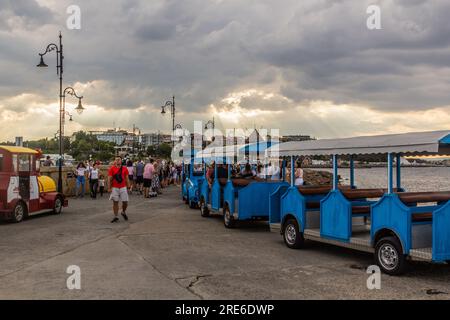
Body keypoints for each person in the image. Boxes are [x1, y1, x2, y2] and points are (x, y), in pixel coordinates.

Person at [108, 156, 130, 223]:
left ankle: (123, 212)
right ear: (115, 161)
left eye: (119, 159)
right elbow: (109, 179)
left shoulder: (124, 168)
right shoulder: (112, 169)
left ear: (121, 161)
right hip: (115, 187)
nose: (117, 161)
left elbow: (126, 178)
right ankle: (116, 216)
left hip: (123, 187)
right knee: (115, 202)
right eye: (116, 160)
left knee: (125, 202)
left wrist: (128, 185)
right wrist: (109, 187)